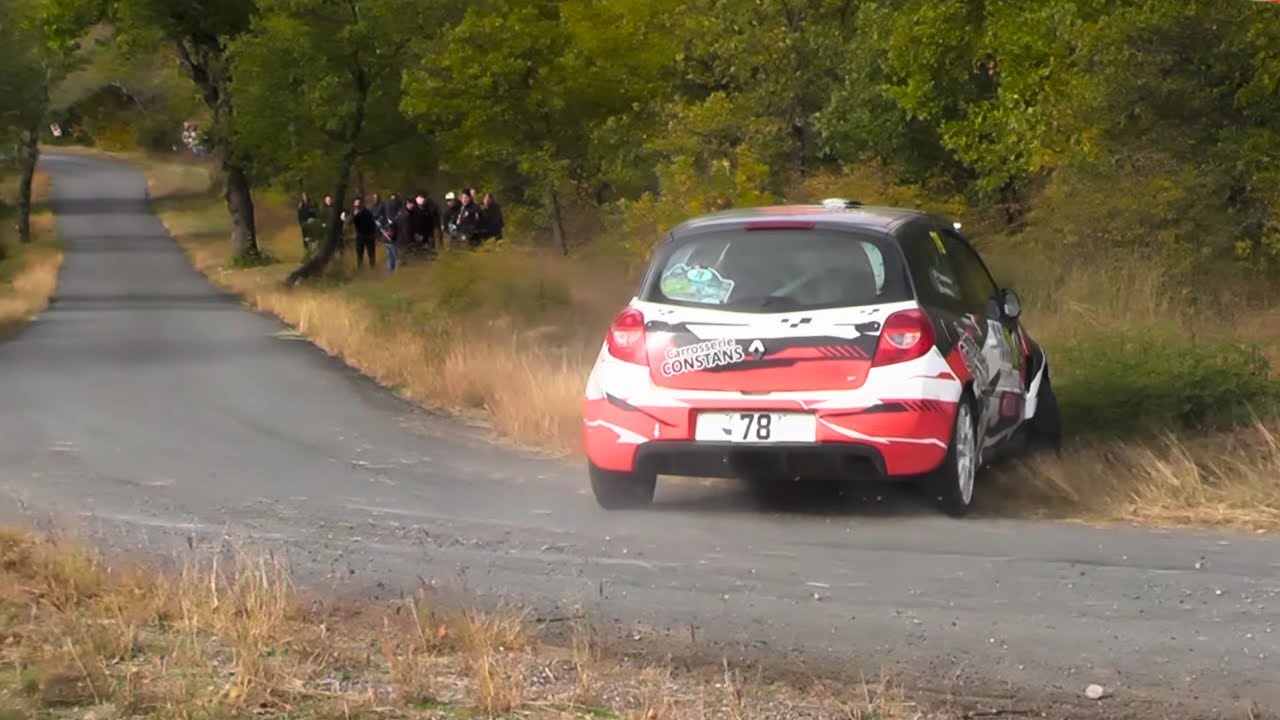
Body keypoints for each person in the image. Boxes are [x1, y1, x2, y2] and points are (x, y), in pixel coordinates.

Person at [351, 197, 378, 269]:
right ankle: (360, 268)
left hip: (369, 235)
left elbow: (372, 224)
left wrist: (373, 234)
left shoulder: (367, 212)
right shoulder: (354, 213)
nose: (357, 206)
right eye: (356, 205)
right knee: (360, 254)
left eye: (358, 205)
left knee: (371, 254)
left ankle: (373, 268)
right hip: (360, 236)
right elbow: (350, 221)